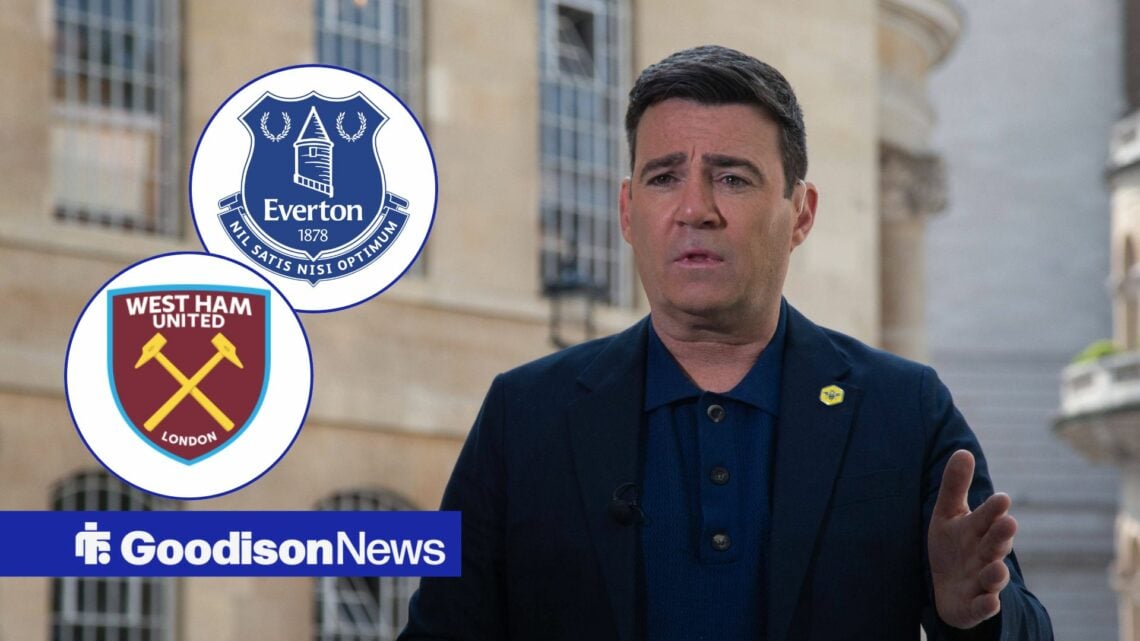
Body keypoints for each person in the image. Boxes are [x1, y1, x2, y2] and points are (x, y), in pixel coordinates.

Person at [399, 45, 1052, 641]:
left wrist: (972, 615)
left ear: (801, 213)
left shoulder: (903, 411)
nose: (695, 208)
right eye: (664, 177)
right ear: (628, 213)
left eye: (733, 178)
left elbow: (1024, 625)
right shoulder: (524, 418)